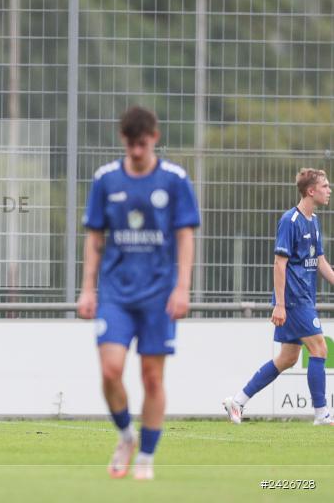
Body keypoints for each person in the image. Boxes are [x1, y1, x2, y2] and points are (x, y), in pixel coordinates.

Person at [77, 106, 200, 480]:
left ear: (154, 139)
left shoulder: (175, 180)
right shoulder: (106, 179)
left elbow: (185, 236)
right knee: (111, 370)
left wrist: (182, 288)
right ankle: (126, 436)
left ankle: (146, 456)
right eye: (130, 145)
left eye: (142, 145)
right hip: (115, 293)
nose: (136, 152)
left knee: (151, 377)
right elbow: (95, 236)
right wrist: (87, 289)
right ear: (123, 141)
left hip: (159, 295)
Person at [223, 168, 333, 426]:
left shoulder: (314, 221)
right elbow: (279, 264)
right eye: (325, 186)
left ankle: (237, 401)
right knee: (320, 348)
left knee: (287, 358)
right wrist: (280, 305)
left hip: (304, 299)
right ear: (311, 191)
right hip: (294, 301)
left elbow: (321, 262)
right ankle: (321, 413)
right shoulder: (290, 221)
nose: (329, 190)